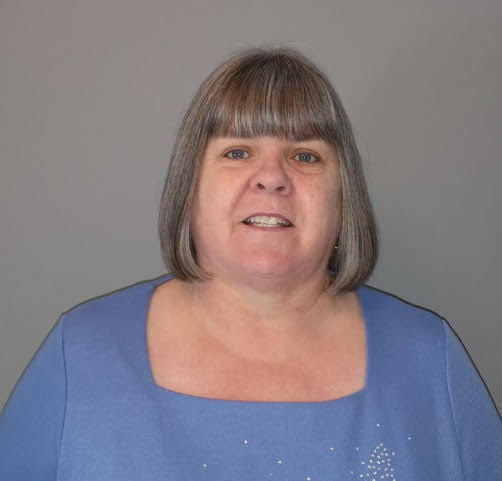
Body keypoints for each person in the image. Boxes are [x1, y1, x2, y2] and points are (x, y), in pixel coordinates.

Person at [0, 47, 500, 480]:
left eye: (305, 156)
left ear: (344, 197)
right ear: (189, 190)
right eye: (237, 151)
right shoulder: (80, 355)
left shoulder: (431, 361)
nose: (271, 178)